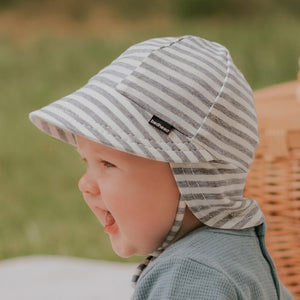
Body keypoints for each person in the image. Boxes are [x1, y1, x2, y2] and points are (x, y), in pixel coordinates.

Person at [29, 35, 293, 299]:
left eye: (108, 163)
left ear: (195, 177)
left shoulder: (190, 276)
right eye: (86, 162)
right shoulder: (239, 251)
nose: (84, 184)